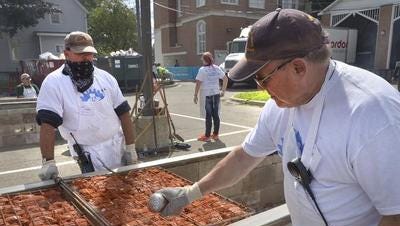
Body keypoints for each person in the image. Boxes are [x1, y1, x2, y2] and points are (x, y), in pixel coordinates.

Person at [151, 9, 400, 226]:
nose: (260, 87)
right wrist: (190, 193)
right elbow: (244, 157)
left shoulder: (373, 115)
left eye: (263, 77)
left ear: (299, 67)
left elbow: (396, 215)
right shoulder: (281, 105)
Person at [36, 31, 138, 180]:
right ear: (67, 53)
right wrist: (48, 161)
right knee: (96, 189)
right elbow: (48, 124)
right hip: (88, 150)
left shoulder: (105, 77)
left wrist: (130, 147)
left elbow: (124, 113)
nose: (85, 58)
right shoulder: (54, 82)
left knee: (126, 188)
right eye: (80, 54)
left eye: (89, 53)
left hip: (117, 142)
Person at [194, 52, 228, 142]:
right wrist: (223, 91)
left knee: (208, 115)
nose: (201, 60)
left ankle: (207, 136)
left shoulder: (202, 70)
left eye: (202, 58)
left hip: (206, 95)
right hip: (216, 94)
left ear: (205, 60)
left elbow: (198, 83)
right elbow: (225, 79)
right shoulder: (217, 68)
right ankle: (215, 134)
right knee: (216, 115)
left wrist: (195, 95)